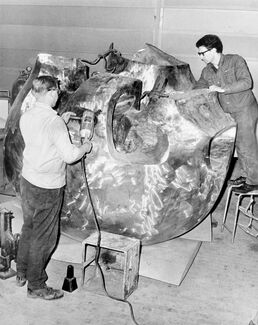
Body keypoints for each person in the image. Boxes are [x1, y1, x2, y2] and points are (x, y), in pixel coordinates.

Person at [16, 75, 92, 300]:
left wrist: (61, 120)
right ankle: (36, 286)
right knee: (45, 237)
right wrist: (85, 147)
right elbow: (70, 156)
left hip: (27, 180)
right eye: (56, 92)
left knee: (29, 228)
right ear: (49, 93)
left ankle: (21, 273)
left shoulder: (27, 115)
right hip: (47, 187)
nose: (58, 95)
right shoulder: (54, 123)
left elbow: (43, 136)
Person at [194, 34, 258, 193]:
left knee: (246, 145)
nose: (200, 57)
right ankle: (246, 175)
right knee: (238, 144)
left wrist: (222, 89)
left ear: (213, 50)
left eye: (202, 53)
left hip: (245, 109)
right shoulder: (206, 71)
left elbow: (247, 82)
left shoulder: (235, 61)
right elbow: (198, 88)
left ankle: (254, 181)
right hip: (228, 112)